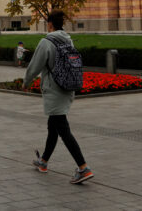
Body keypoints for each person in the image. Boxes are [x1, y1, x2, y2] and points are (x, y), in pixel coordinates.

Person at [22, 11, 93, 185]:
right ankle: (43, 161)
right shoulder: (67, 39)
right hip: (68, 87)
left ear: (50, 24)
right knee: (53, 126)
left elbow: (34, 66)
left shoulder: (47, 42)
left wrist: (26, 82)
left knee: (62, 128)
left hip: (54, 90)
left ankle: (83, 168)